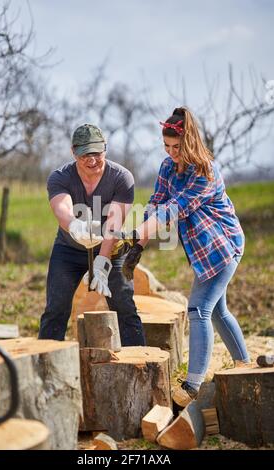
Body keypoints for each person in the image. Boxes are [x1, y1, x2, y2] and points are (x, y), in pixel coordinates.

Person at [117, 107, 250, 406]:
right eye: (166, 146)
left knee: (199, 309)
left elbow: (175, 208)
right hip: (203, 252)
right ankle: (245, 366)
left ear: (189, 142)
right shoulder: (167, 167)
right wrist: (139, 243)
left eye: (176, 147)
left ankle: (192, 386)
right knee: (217, 312)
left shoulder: (206, 171)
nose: (171, 152)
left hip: (222, 247)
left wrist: (139, 234)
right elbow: (157, 203)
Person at [38, 123, 145, 346]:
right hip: (69, 249)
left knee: (124, 305)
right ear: (74, 153)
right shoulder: (59, 177)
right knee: (55, 308)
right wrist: (75, 227)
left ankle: (141, 364)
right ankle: (46, 364)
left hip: (111, 249)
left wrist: (103, 261)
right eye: (85, 154)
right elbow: (62, 209)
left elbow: (114, 225)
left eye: (97, 152)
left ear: (105, 149)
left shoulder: (121, 178)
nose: (92, 160)